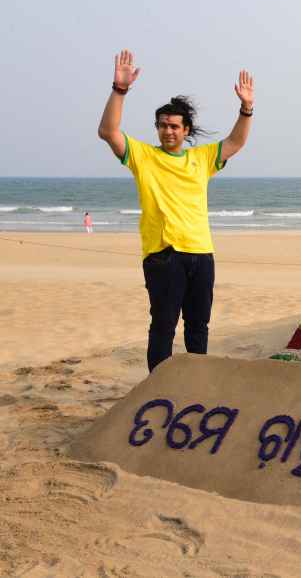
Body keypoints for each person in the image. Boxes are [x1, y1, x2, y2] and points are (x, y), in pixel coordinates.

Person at [97, 49, 255, 372]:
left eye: (174, 126)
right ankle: (158, 387)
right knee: (163, 328)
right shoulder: (143, 156)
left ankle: (193, 389)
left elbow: (236, 143)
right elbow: (108, 132)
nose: (168, 131)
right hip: (163, 255)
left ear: (186, 131)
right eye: (162, 126)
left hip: (201, 254)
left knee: (198, 329)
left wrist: (247, 108)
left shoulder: (201, 159)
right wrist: (119, 90)